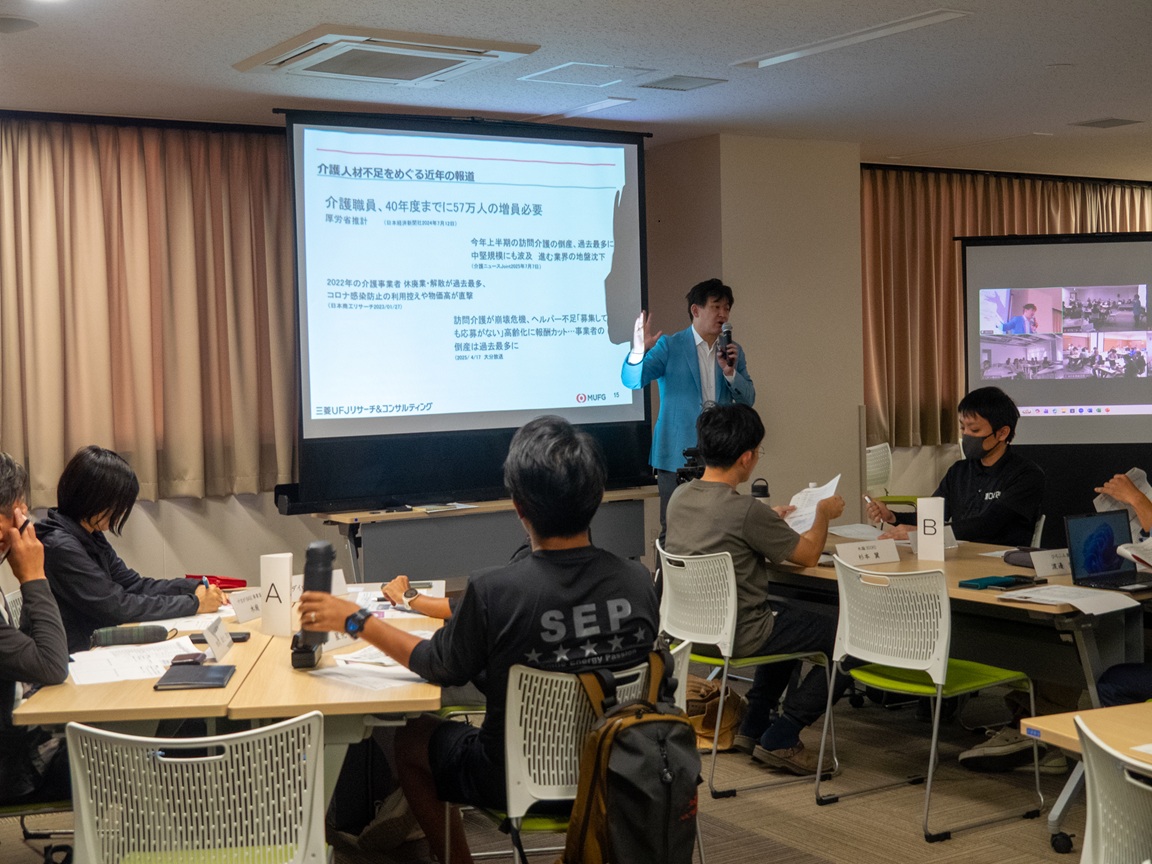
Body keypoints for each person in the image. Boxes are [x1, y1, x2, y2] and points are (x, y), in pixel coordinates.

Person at [299, 416, 659, 864]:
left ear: (519, 506)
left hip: (512, 779)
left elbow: (435, 665)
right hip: (620, 768)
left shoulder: (496, 591)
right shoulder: (637, 580)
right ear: (598, 496)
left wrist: (356, 620)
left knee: (413, 739)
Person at [664, 403, 848, 776]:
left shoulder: (679, 498)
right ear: (747, 457)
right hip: (742, 634)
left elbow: (723, 530)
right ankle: (783, 734)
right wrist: (822, 514)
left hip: (691, 633)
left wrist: (768, 519)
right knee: (850, 634)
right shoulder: (746, 510)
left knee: (787, 619)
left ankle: (754, 723)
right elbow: (809, 555)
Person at [39, 445, 226, 653]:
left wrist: (191, 587)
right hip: (73, 655)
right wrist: (194, 603)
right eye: (116, 503)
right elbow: (117, 606)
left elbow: (134, 585)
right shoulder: (60, 546)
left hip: (94, 645)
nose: (120, 512)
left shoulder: (90, 535)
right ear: (92, 497)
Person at [621, 278, 755, 541]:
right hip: (676, 454)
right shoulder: (670, 346)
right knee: (673, 530)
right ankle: (668, 572)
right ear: (696, 310)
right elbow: (632, 380)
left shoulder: (732, 351)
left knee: (719, 529)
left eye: (727, 308)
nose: (723, 314)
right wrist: (638, 353)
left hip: (720, 453)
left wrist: (730, 373)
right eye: (716, 307)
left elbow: (748, 398)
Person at [866, 387, 1044, 548]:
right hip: (960, 556)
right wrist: (892, 516)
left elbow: (989, 524)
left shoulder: (1026, 475)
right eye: (962, 428)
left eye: (974, 430)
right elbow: (932, 517)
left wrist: (925, 533)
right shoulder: (959, 471)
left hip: (1002, 560)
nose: (966, 435)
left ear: (1002, 433)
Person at [0, 453, 71, 805]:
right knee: (139, 761)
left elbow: (29, 652)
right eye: (15, 511)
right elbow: (51, 665)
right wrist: (33, 576)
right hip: (13, 768)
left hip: (21, 740)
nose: (22, 521)